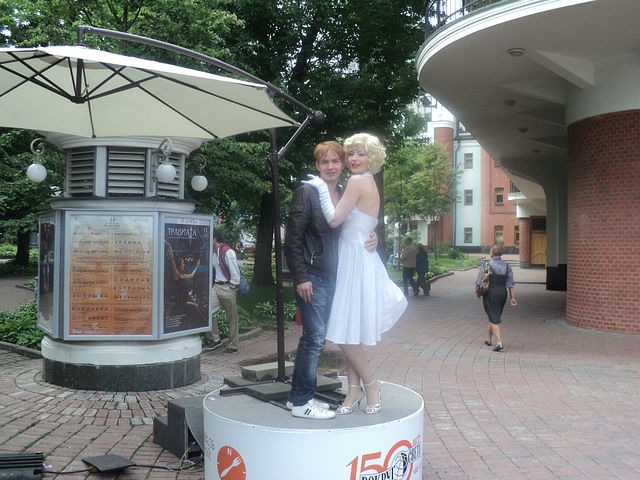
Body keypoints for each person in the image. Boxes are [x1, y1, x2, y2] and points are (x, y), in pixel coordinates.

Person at [304, 133, 407, 415]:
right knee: (350, 330)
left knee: (346, 333)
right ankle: (353, 390)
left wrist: (320, 187)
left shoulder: (357, 181)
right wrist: (373, 236)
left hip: (354, 258)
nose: (354, 159)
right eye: (351, 154)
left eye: (361, 153)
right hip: (357, 256)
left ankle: (370, 385)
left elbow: (334, 219)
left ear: (372, 157)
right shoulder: (368, 181)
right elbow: (361, 222)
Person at [285, 141, 378, 420]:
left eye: (335, 161)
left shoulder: (341, 192)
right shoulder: (306, 193)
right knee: (315, 339)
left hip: (337, 276)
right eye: (324, 162)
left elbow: (352, 228)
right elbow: (292, 239)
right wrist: (301, 277)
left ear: (342, 164)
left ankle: (295, 398)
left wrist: (372, 236)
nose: (330, 166)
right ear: (317, 166)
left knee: (317, 338)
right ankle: (302, 402)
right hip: (313, 276)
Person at [475, 243, 518, 352]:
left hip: (490, 293)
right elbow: (510, 284)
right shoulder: (507, 266)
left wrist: (478, 291)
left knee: (494, 318)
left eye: (490, 250)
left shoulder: (486, 264)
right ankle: (488, 339)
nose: (489, 252)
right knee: (494, 315)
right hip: (502, 293)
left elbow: (478, 281)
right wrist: (512, 298)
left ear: (493, 253)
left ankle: (499, 343)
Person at [204, 231, 241, 354]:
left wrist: (232, 287)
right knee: (207, 311)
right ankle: (216, 339)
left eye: (210, 237)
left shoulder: (227, 251)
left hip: (227, 287)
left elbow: (235, 272)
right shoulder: (213, 253)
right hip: (216, 286)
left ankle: (233, 345)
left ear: (215, 238)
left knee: (232, 317)